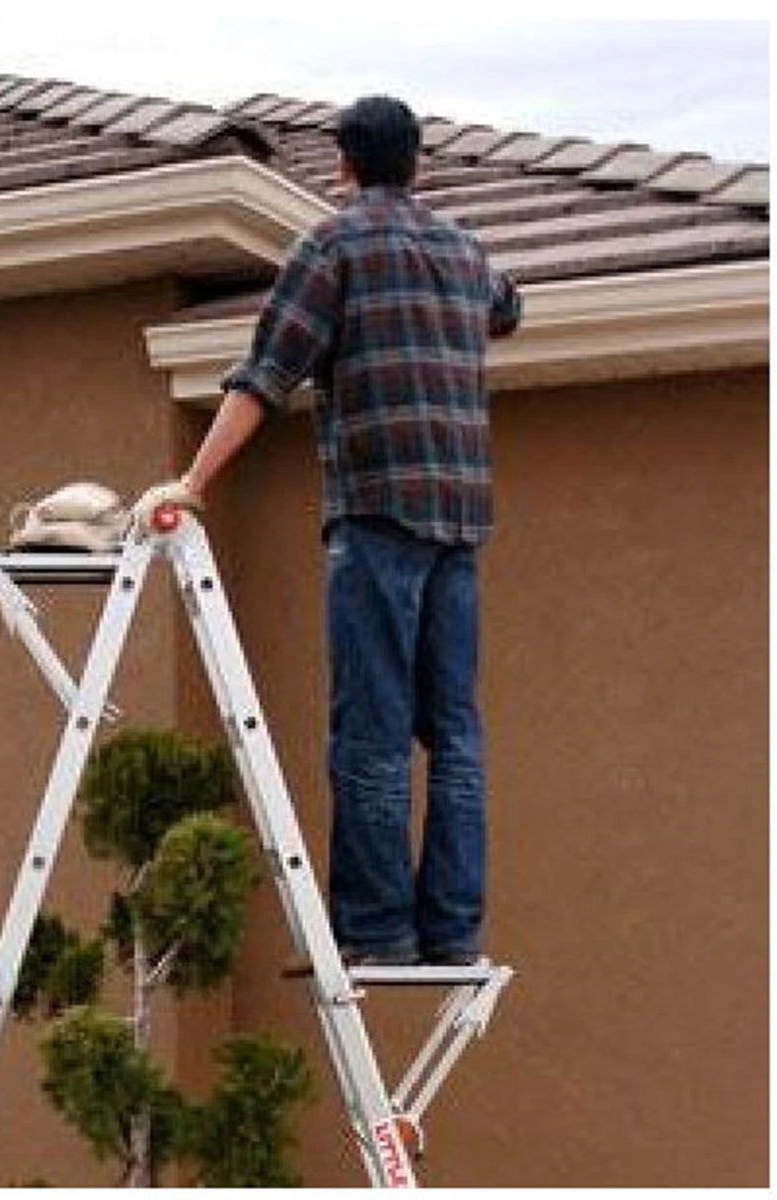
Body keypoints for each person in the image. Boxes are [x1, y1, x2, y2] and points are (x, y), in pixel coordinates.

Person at [133, 95, 522, 968]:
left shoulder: (333, 247)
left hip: (379, 514)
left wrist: (193, 482)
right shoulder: (465, 251)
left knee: (373, 729)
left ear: (342, 166)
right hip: (459, 521)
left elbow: (264, 376)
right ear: (418, 162)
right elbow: (508, 309)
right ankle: (453, 933)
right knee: (454, 731)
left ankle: (379, 933)